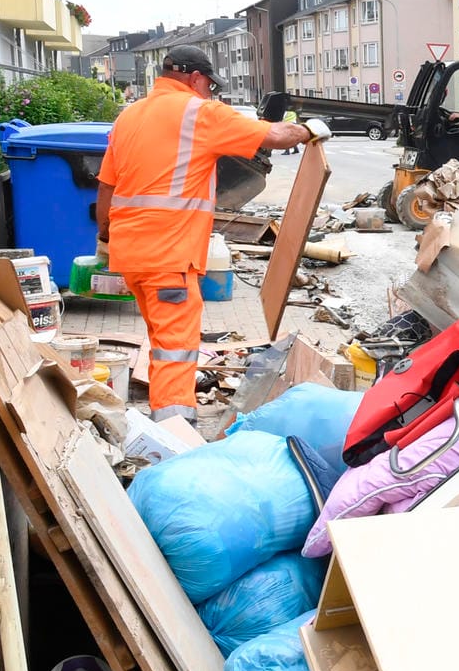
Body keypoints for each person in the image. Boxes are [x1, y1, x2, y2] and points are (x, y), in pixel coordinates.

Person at [96, 45, 323, 422]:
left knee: (160, 337)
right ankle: (172, 430)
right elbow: (276, 136)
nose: (210, 93)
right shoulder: (199, 113)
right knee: (175, 345)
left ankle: (165, 415)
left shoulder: (129, 116)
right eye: (208, 85)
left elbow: (106, 187)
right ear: (195, 78)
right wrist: (309, 130)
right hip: (169, 255)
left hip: (131, 253)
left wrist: (106, 235)